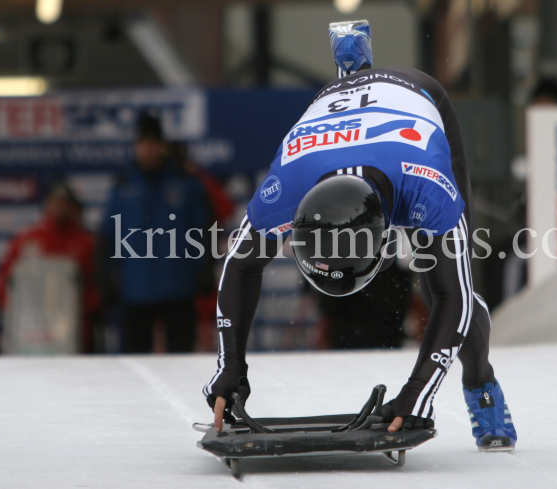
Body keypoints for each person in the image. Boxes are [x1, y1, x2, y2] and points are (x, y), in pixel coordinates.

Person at [204, 20, 517, 451]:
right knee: (444, 285)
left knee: (439, 279)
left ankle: (481, 383)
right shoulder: (284, 188)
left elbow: (456, 298)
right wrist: (230, 365)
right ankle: (352, 68)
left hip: (417, 100)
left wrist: (417, 394)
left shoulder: (428, 191)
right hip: (338, 128)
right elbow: (240, 266)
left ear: (388, 238)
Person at [98, 114, 212, 353]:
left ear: (162, 146)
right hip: (135, 289)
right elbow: (106, 236)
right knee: (134, 364)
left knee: (181, 361)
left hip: (179, 286)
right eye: (143, 144)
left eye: (153, 143)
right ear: (136, 147)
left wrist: (205, 270)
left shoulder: (186, 183)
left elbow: (205, 229)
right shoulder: (123, 185)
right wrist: (106, 280)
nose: (148, 150)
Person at [0, 181, 99, 354]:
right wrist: (14, 312)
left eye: (65, 202)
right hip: (31, 332)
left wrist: (83, 310)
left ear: (72, 206)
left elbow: (96, 285)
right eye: (56, 201)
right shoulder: (27, 239)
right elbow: (6, 281)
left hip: (74, 333)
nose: (60, 207)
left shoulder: (85, 242)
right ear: (47, 203)